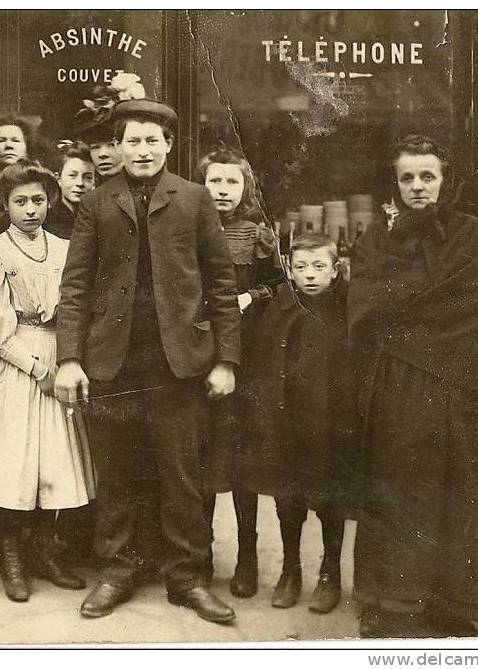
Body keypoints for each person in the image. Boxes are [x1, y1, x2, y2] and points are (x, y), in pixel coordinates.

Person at [54, 98, 241, 623]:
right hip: (113, 361)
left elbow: (222, 286)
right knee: (118, 474)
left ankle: (188, 578)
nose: (141, 150)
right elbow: (76, 287)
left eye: (151, 140)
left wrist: (226, 359)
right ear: (117, 146)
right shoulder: (97, 202)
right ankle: (118, 571)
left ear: (168, 145)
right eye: (131, 141)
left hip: (178, 363)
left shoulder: (195, 199)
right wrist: (70, 357)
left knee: (182, 473)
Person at [348, 135, 478, 637]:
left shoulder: (473, 234)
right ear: (395, 183)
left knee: (456, 494)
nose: (417, 186)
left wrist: (402, 308)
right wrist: (409, 306)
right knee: (401, 491)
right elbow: (365, 304)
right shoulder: (377, 238)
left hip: (461, 388)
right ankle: (393, 602)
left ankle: (451, 601)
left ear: (445, 182)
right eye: (407, 177)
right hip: (399, 387)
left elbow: (475, 305)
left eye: (428, 176)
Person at [0, 160, 95, 602]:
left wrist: (65, 361)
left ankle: (45, 552)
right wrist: (36, 368)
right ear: (5, 205)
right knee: (11, 464)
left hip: (58, 352)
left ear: (49, 202)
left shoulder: (65, 249)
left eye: (38, 200)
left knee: (53, 461)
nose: (30, 210)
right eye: (20, 202)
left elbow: (76, 307)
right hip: (12, 365)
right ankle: (11, 556)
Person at [237, 232, 356, 615]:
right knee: (288, 498)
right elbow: (263, 362)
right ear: (288, 267)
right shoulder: (281, 308)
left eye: (320, 266)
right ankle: (291, 569)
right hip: (286, 422)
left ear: (336, 270)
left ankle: (330, 572)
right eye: (301, 266)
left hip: (331, 423)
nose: (310, 275)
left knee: (329, 498)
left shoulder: (347, 308)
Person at [194, 145, 284, 600]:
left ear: (245, 188)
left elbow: (283, 287)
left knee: (243, 464)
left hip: (245, 358)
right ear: (201, 185)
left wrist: (253, 297)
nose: (223, 190)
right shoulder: (186, 229)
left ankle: (247, 557)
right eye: (215, 181)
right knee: (202, 461)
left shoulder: (257, 234)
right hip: (196, 356)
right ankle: (202, 557)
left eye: (232, 181)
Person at [43, 141, 95, 240]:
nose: (80, 183)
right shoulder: (46, 219)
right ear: (58, 178)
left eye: (88, 177)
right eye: (72, 175)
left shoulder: (100, 218)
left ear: (94, 182)